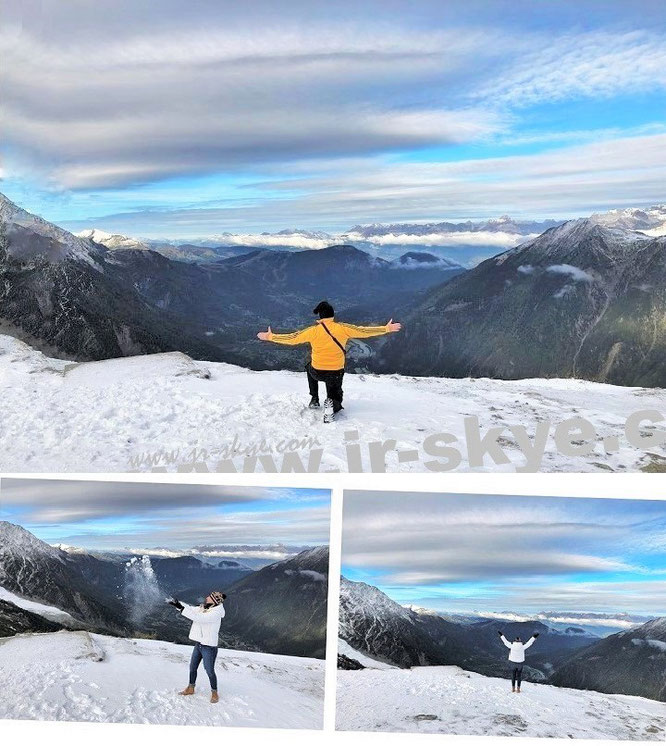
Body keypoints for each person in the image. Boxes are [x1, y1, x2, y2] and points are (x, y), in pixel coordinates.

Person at [256, 300, 402, 421]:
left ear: (320, 318)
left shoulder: (313, 331)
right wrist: (386, 328)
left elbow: (292, 338)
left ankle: (314, 398)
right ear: (333, 316)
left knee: (309, 365)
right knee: (336, 396)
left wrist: (270, 337)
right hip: (335, 373)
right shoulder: (343, 328)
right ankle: (331, 405)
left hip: (317, 371)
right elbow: (364, 331)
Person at [168, 591, 227, 703]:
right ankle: (191, 688)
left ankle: (214, 693)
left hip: (209, 647)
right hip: (199, 644)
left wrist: (181, 609)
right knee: (192, 667)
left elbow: (199, 618)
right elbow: (191, 609)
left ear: (215, 601)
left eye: (210, 597)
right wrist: (177, 603)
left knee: (209, 671)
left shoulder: (215, 613)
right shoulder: (206, 607)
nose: (207, 597)